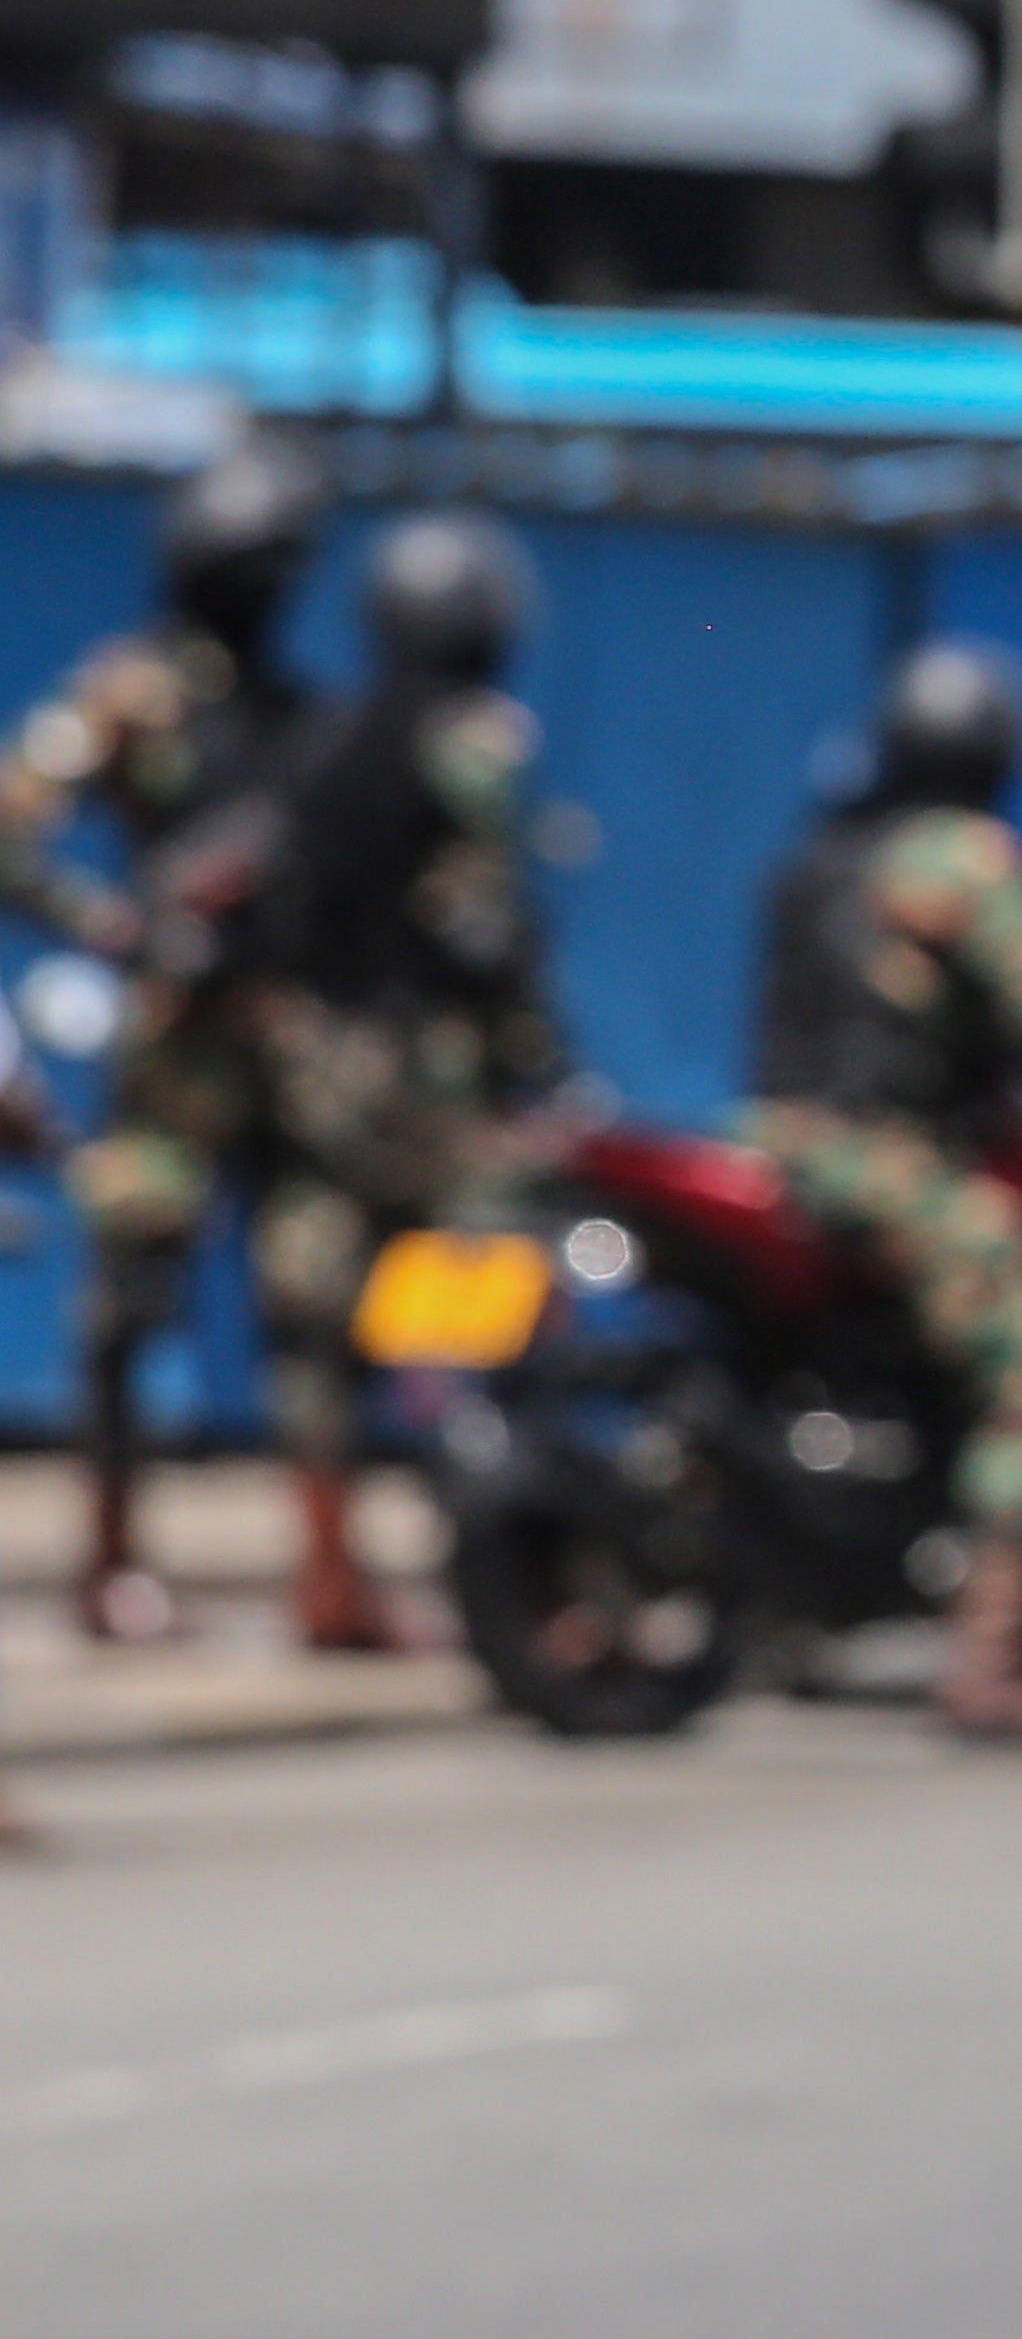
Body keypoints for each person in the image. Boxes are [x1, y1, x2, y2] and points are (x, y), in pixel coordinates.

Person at [741, 641, 1022, 1747]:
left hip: (773, 1141)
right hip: (883, 1154)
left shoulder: (826, 853)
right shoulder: (964, 860)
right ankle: (988, 1660)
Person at [0, 441, 336, 1643]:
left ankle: (333, 1574)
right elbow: (13, 818)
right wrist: (113, 923)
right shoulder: (133, 691)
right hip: (175, 1045)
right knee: (130, 1299)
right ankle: (108, 1564)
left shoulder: (297, 707)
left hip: (286, 1038)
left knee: (314, 1296)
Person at [243, 511, 575, 1653]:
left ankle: (329, 1578)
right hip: (430, 1077)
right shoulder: (476, 737)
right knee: (486, 1299)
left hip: (316, 1071)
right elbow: (490, 920)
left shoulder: (325, 737)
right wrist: (538, 1062)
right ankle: (516, 1578)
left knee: (315, 1324)